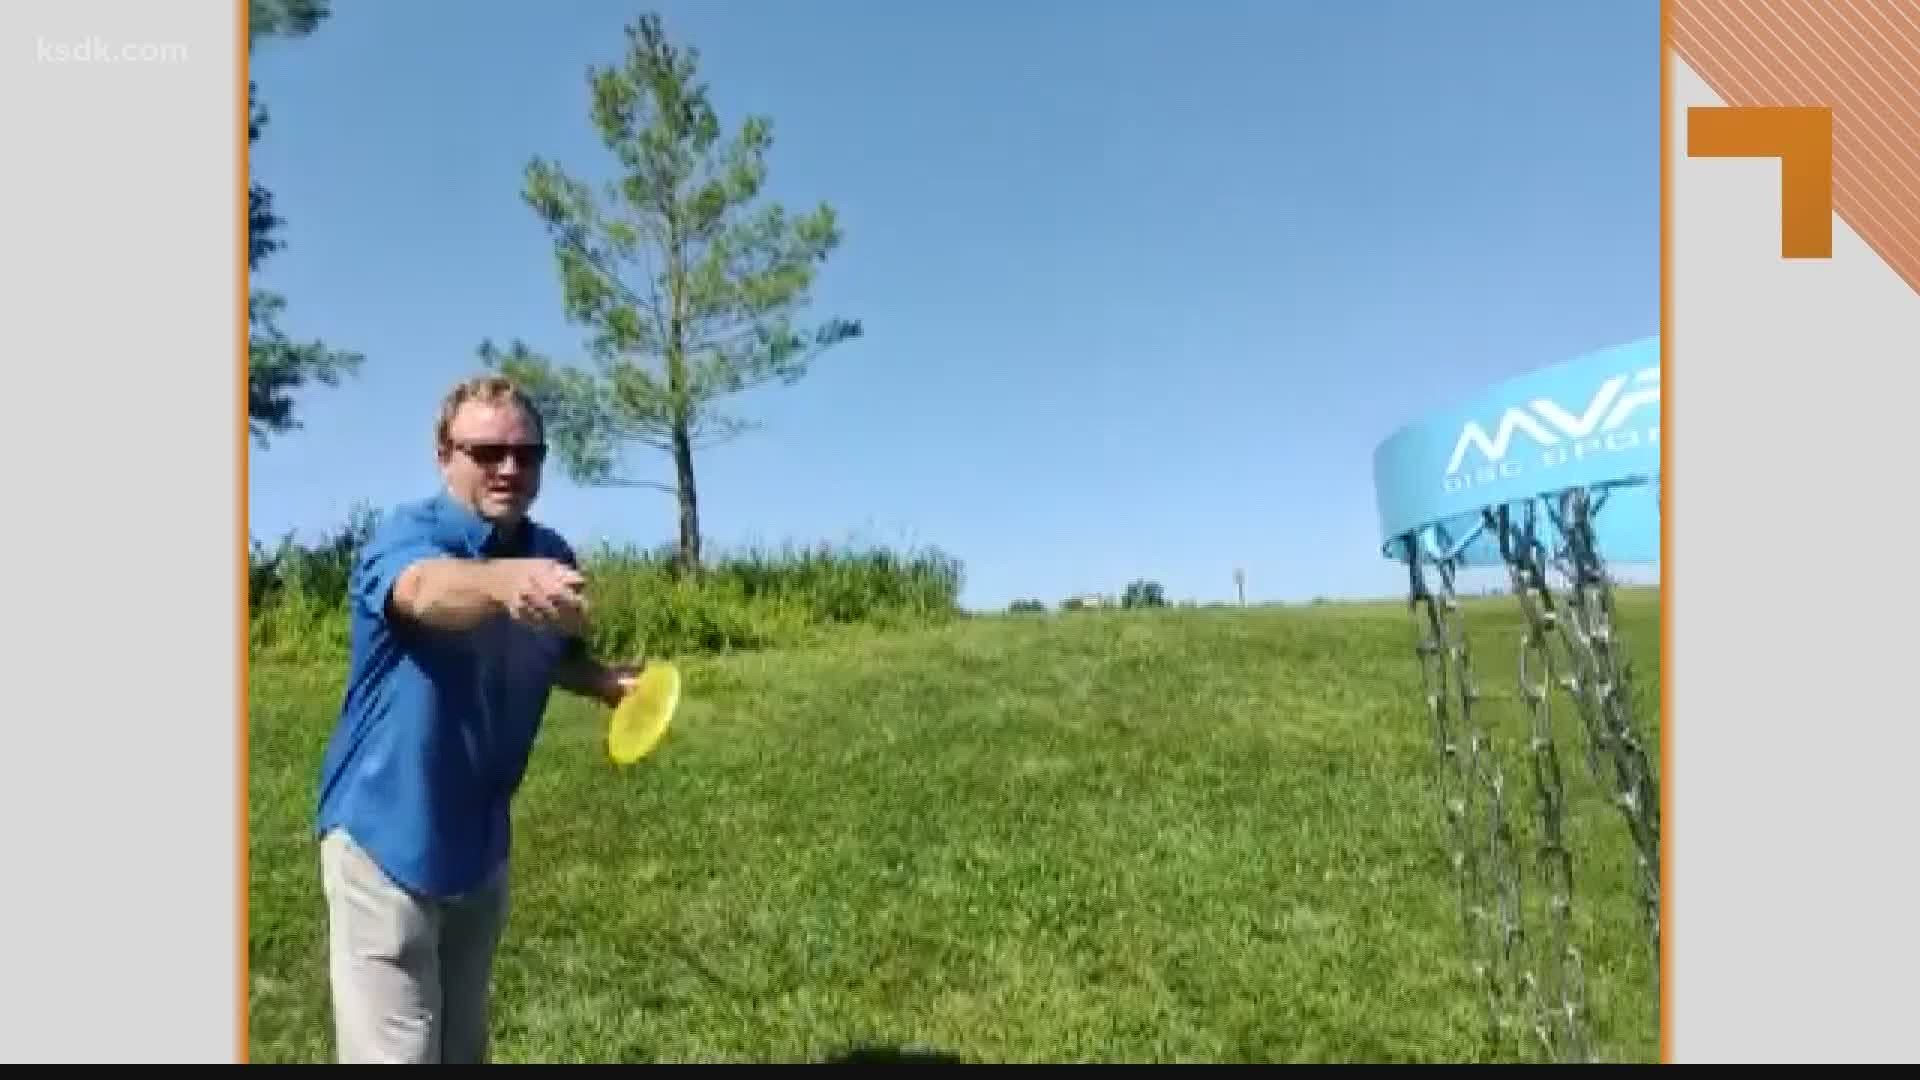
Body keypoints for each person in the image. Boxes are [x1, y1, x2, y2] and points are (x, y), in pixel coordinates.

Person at [313, 375, 639, 1064]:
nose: (510, 468)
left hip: (479, 842)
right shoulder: (407, 536)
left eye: (527, 453)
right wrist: (500, 583)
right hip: (382, 836)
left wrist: (602, 681)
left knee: (463, 1053)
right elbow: (424, 592)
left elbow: (546, 650)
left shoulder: (551, 555)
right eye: (487, 452)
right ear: (444, 455)